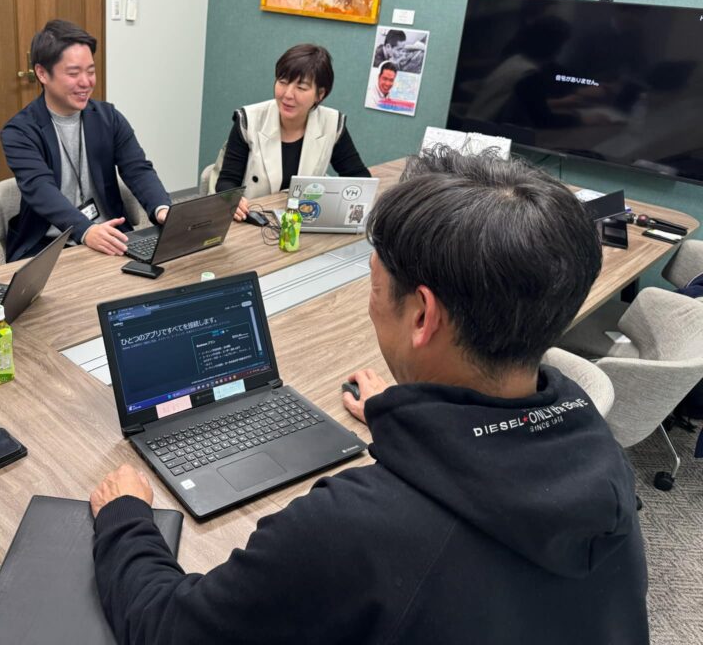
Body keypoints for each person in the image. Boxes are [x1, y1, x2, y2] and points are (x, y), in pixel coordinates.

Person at [89, 149, 649, 645]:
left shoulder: (346, 530)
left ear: (422, 316)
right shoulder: (593, 447)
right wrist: (401, 412)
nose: (371, 301)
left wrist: (126, 518)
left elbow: (168, 629)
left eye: (374, 285)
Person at [0, 19, 171, 261]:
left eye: (90, 71)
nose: (86, 82)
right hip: (49, 245)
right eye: (73, 73)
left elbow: (137, 169)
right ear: (42, 73)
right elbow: (40, 188)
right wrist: (86, 230)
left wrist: (163, 209)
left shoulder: (108, 118)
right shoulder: (19, 131)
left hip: (111, 236)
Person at [213, 44, 369, 221]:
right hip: (253, 220)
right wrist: (232, 200)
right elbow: (226, 182)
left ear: (320, 94)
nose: (288, 94)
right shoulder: (249, 120)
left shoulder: (332, 124)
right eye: (283, 82)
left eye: (301, 88)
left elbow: (360, 179)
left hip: (304, 220)